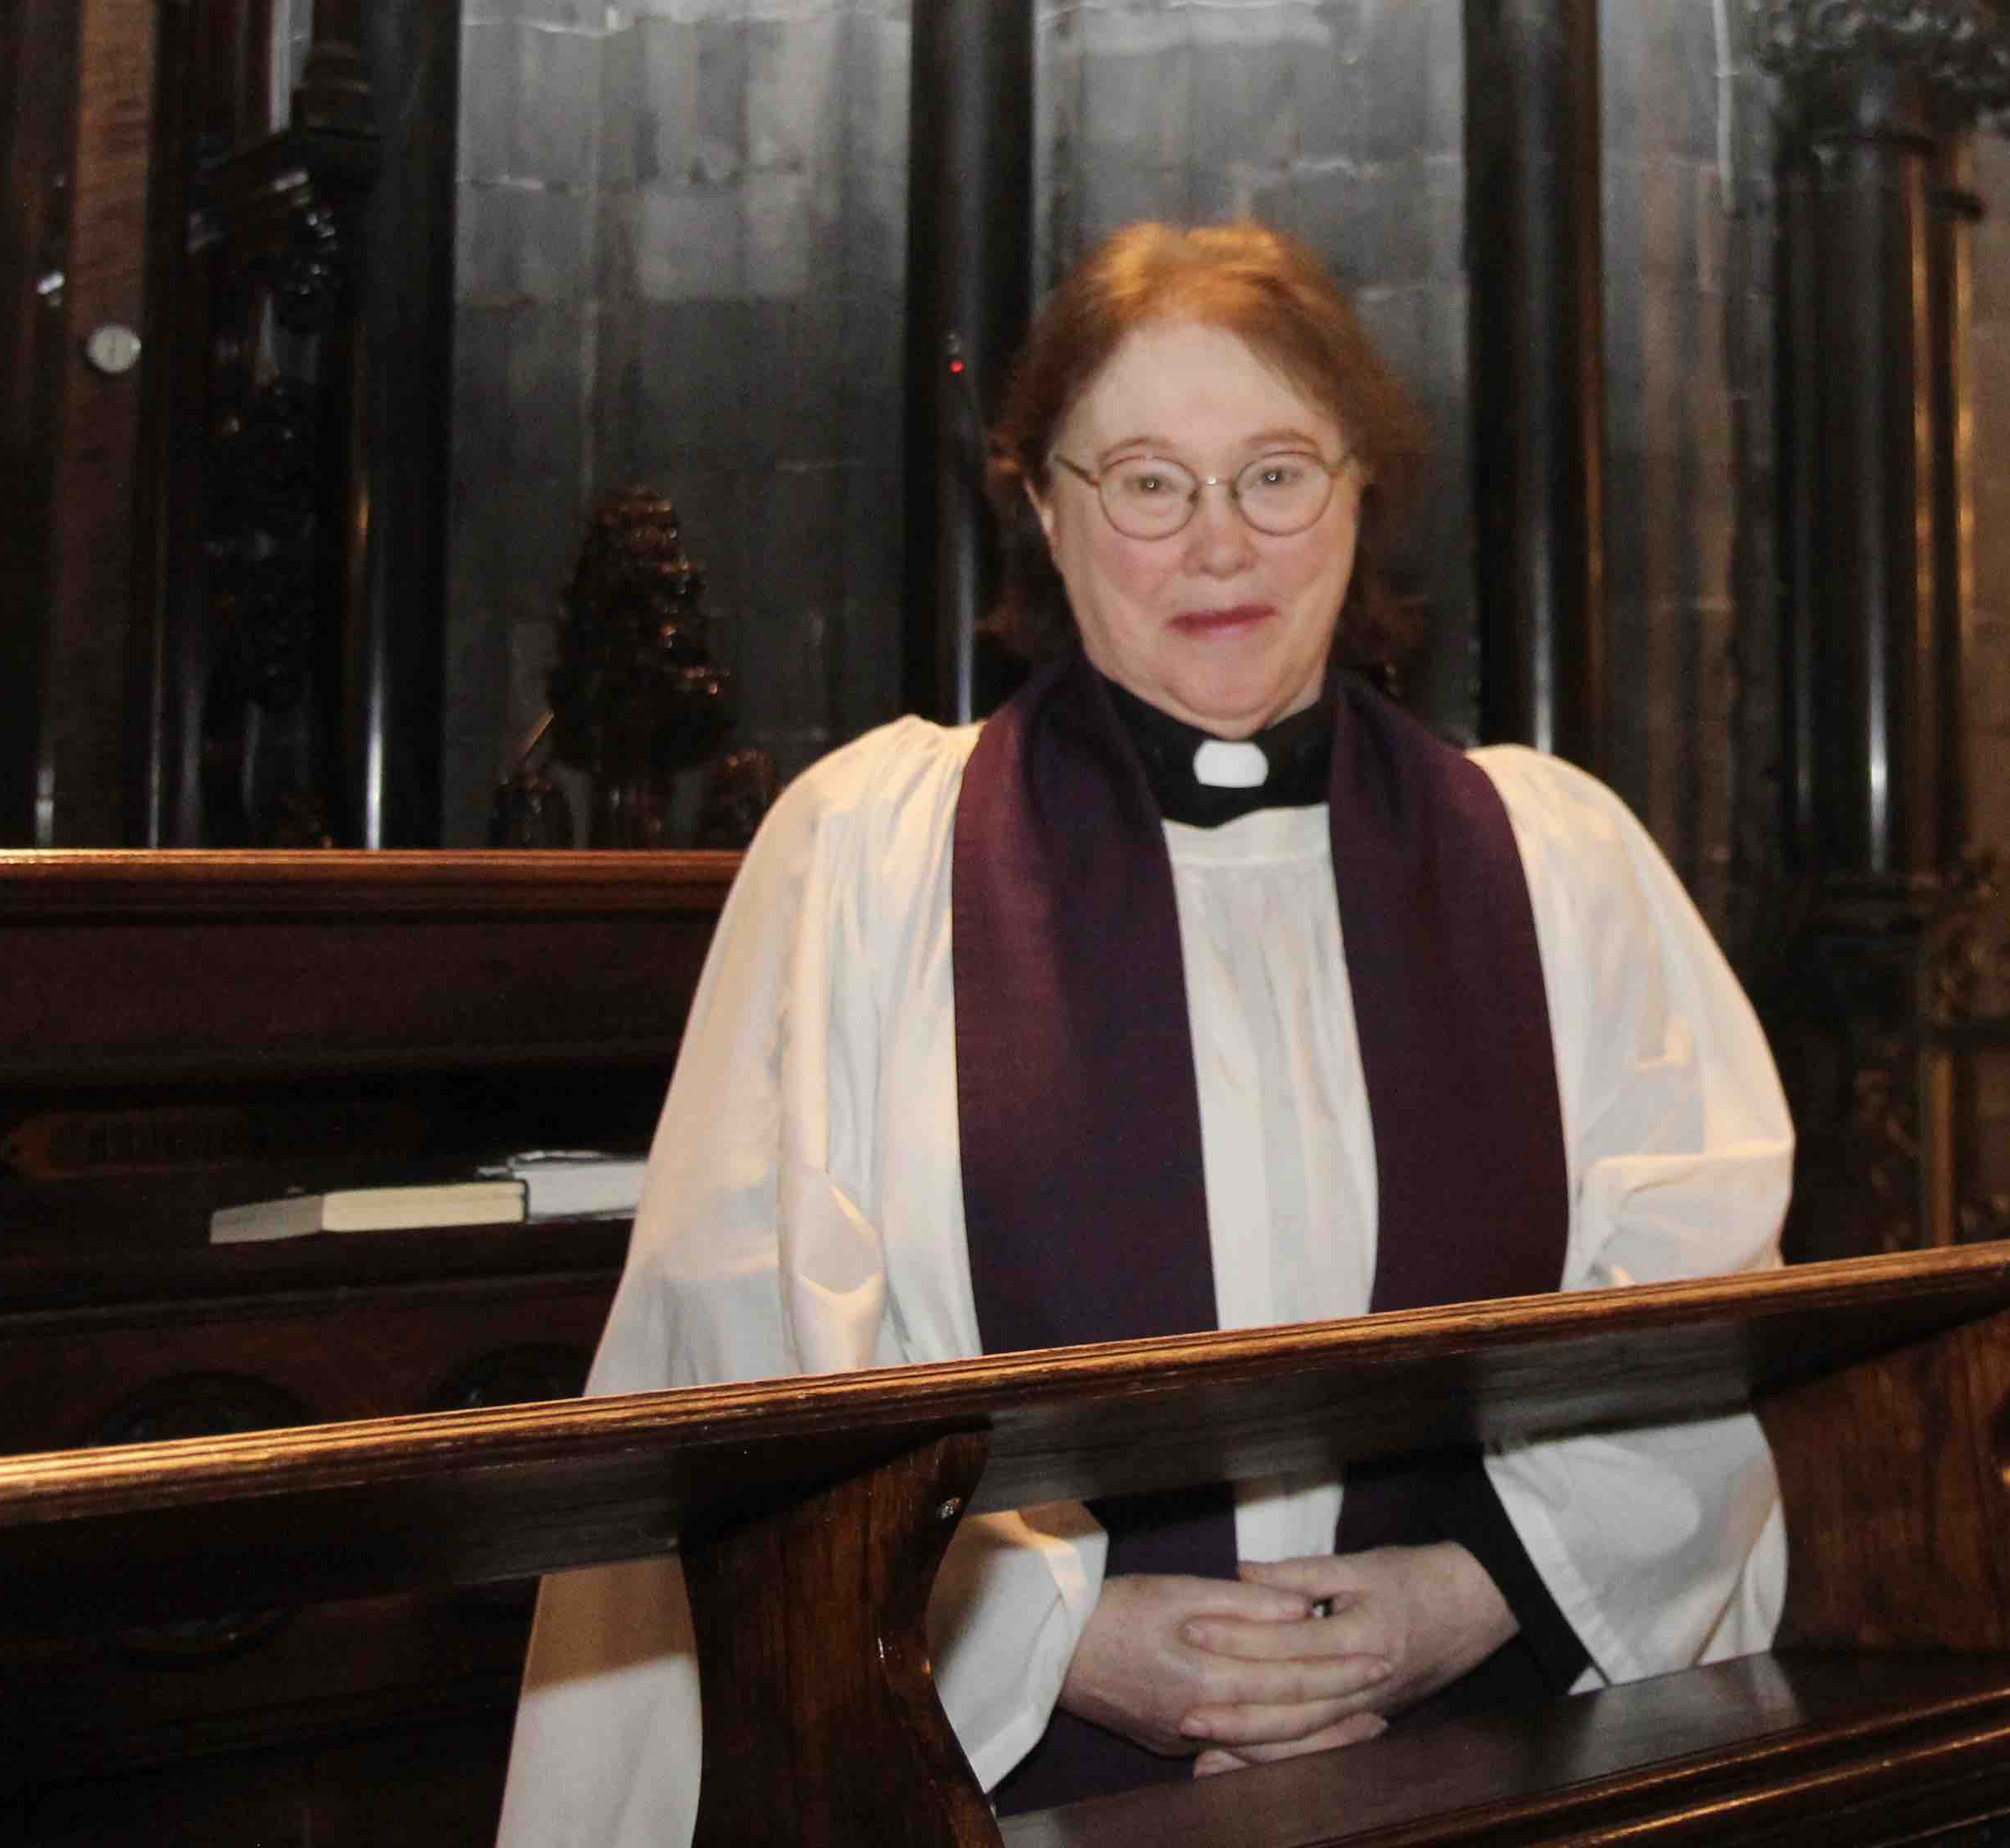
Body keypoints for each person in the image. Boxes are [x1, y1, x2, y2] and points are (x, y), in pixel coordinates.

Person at [494, 221, 1791, 1844]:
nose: (1217, 547)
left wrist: (1462, 1595)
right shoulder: (871, 857)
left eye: (1273, 473)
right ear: (1044, 504)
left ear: (1359, 490)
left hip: (1484, 1769)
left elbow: (1690, 1312)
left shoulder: (1555, 862)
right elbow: (744, 1350)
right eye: (1148, 484)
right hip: (991, 1788)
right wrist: (1056, 1633)